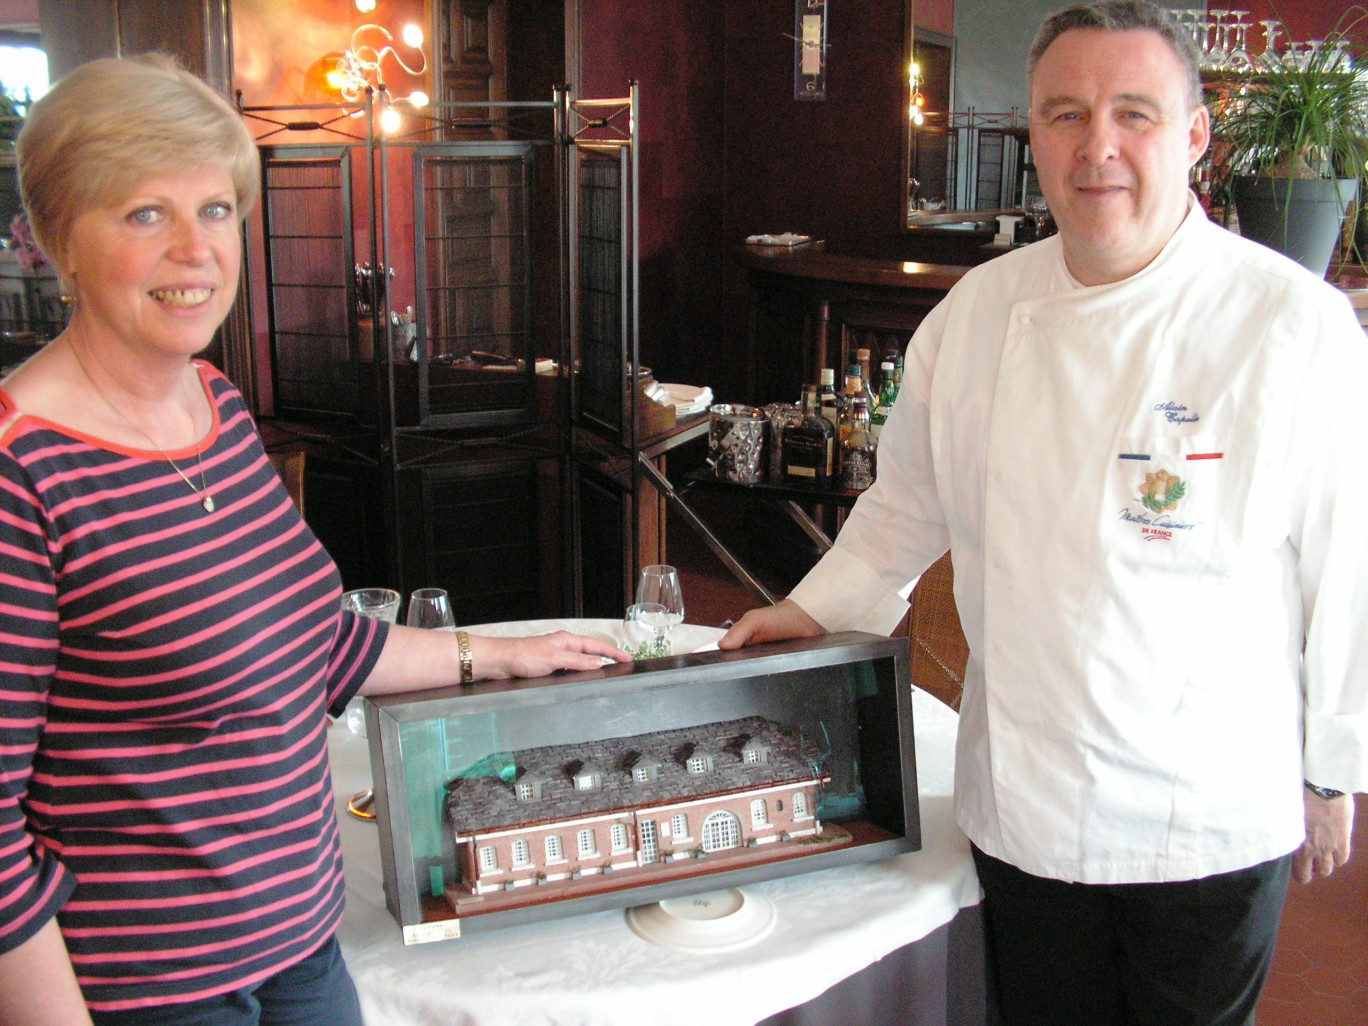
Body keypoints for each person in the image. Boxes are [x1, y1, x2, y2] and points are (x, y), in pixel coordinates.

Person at [721, 3, 1367, 1023]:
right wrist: (817, 607)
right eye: (1066, 114)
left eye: (1133, 113)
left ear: (1196, 136)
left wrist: (1333, 767)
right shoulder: (978, 314)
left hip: (1205, 811)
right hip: (1027, 797)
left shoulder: (1293, 326)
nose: (1096, 145)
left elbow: (1346, 566)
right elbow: (906, 506)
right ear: (1034, 131)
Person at [0, 55, 626, 1026]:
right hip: (148, 992)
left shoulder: (215, 405)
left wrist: (506, 653)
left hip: (300, 946)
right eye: (143, 214)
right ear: (57, 241)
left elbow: (316, 643)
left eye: (215, 209)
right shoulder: (21, 472)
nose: (195, 249)